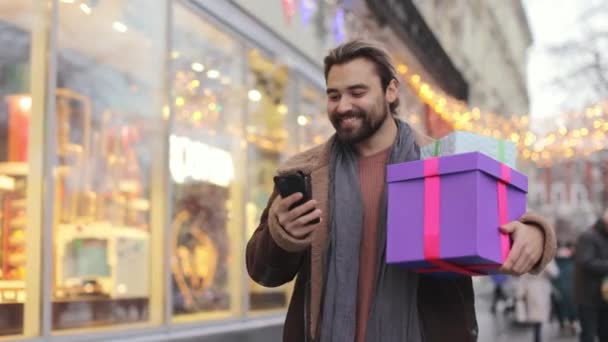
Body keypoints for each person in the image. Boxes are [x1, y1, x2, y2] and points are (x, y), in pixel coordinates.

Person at [246, 40, 557, 342]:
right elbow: (263, 273)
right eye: (333, 95)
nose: (343, 106)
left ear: (390, 90)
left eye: (357, 92)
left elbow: (508, 222)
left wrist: (535, 235)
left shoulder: (443, 161)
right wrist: (281, 236)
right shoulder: (305, 173)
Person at [574, 209, 608, 342]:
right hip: (588, 297)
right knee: (588, 335)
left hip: (604, 297)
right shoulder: (588, 236)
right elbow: (586, 262)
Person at [515, 260, 559, 342]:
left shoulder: (547, 257)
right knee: (537, 318)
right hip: (532, 291)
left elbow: (555, 273)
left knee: (543, 317)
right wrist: (520, 293)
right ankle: (538, 338)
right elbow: (523, 277)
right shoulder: (529, 256)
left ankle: (539, 337)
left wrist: (546, 265)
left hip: (544, 290)